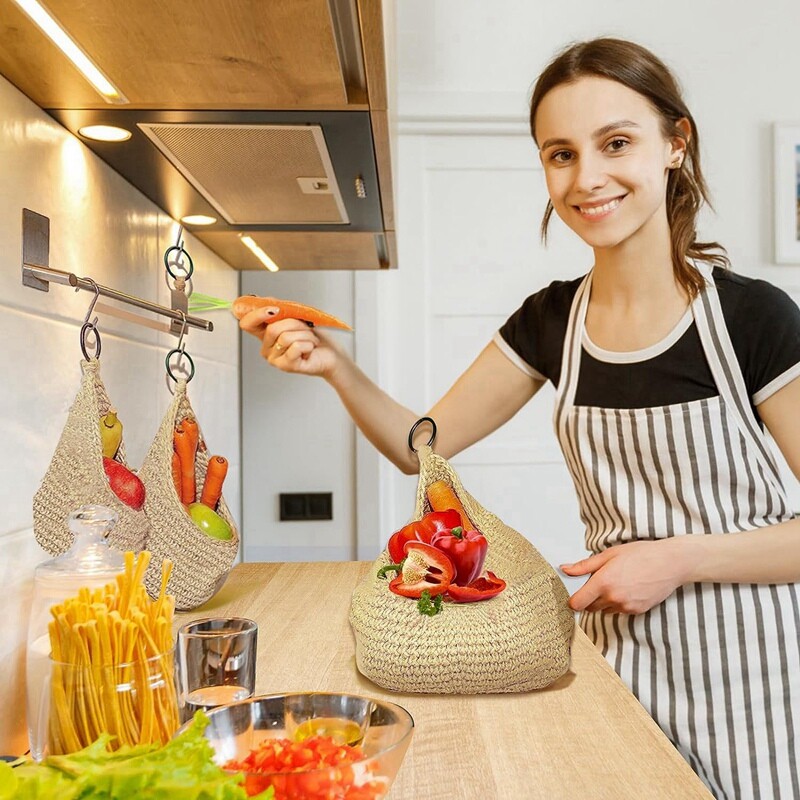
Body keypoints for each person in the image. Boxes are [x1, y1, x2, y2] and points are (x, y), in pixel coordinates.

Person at [237, 37, 800, 800]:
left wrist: (678, 558)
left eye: (617, 143)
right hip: (614, 662)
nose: (587, 178)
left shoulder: (751, 319)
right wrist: (333, 367)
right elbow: (420, 449)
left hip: (751, 677)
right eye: (560, 154)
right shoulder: (550, 323)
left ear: (675, 144)